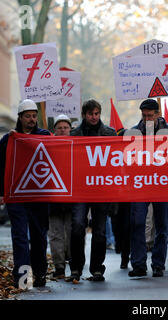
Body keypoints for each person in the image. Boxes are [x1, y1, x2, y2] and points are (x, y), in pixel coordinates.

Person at [0, 99, 51, 288]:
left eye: (34, 116)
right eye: (28, 116)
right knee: (19, 236)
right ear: (20, 117)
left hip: (39, 196)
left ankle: (40, 273)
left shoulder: (44, 136)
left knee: (39, 236)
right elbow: (0, 167)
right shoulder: (8, 140)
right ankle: (22, 277)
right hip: (16, 196)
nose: (32, 119)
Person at [127, 99, 168, 277]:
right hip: (140, 185)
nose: (147, 118)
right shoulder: (133, 132)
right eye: (144, 115)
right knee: (137, 223)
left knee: (161, 225)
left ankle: (158, 264)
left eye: (150, 115)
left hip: (162, 185)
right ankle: (139, 264)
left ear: (158, 114)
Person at [68, 99, 117, 282]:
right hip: (80, 188)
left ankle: (97, 268)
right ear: (84, 115)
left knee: (100, 231)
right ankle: (76, 267)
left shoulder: (110, 134)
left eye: (97, 114)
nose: (94, 117)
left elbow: (115, 162)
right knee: (78, 227)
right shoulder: (74, 135)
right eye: (90, 114)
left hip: (101, 188)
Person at [48, 114, 73, 279]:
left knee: (72, 233)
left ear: (70, 130)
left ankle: (73, 263)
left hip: (72, 200)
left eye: (65, 128)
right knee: (56, 234)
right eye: (59, 128)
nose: (63, 130)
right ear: (54, 130)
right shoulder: (48, 147)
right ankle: (59, 267)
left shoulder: (77, 147)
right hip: (53, 199)